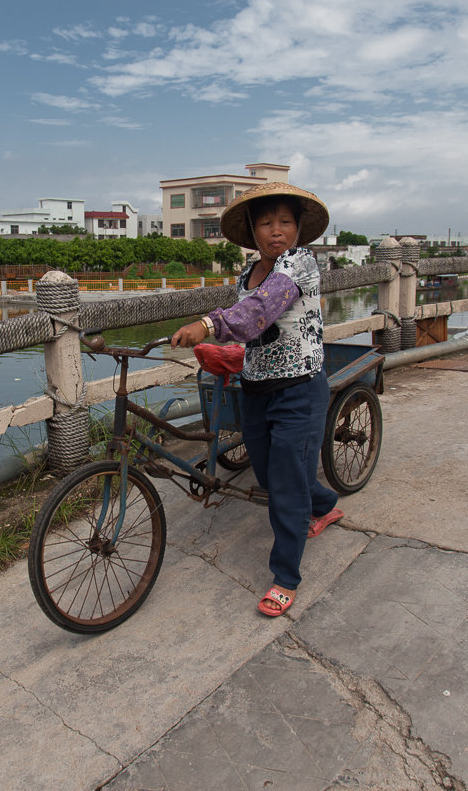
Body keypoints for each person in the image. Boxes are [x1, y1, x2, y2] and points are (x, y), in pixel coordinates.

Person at [170, 182, 343, 617]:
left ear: (299, 228)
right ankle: (322, 505)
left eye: (285, 221)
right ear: (252, 229)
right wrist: (223, 350)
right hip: (256, 390)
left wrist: (206, 325)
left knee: (284, 485)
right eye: (266, 223)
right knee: (268, 476)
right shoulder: (246, 275)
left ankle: (286, 576)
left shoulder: (300, 264)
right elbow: (251, 331)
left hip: (299, 390)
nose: (276, 231)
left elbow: (260, 311)